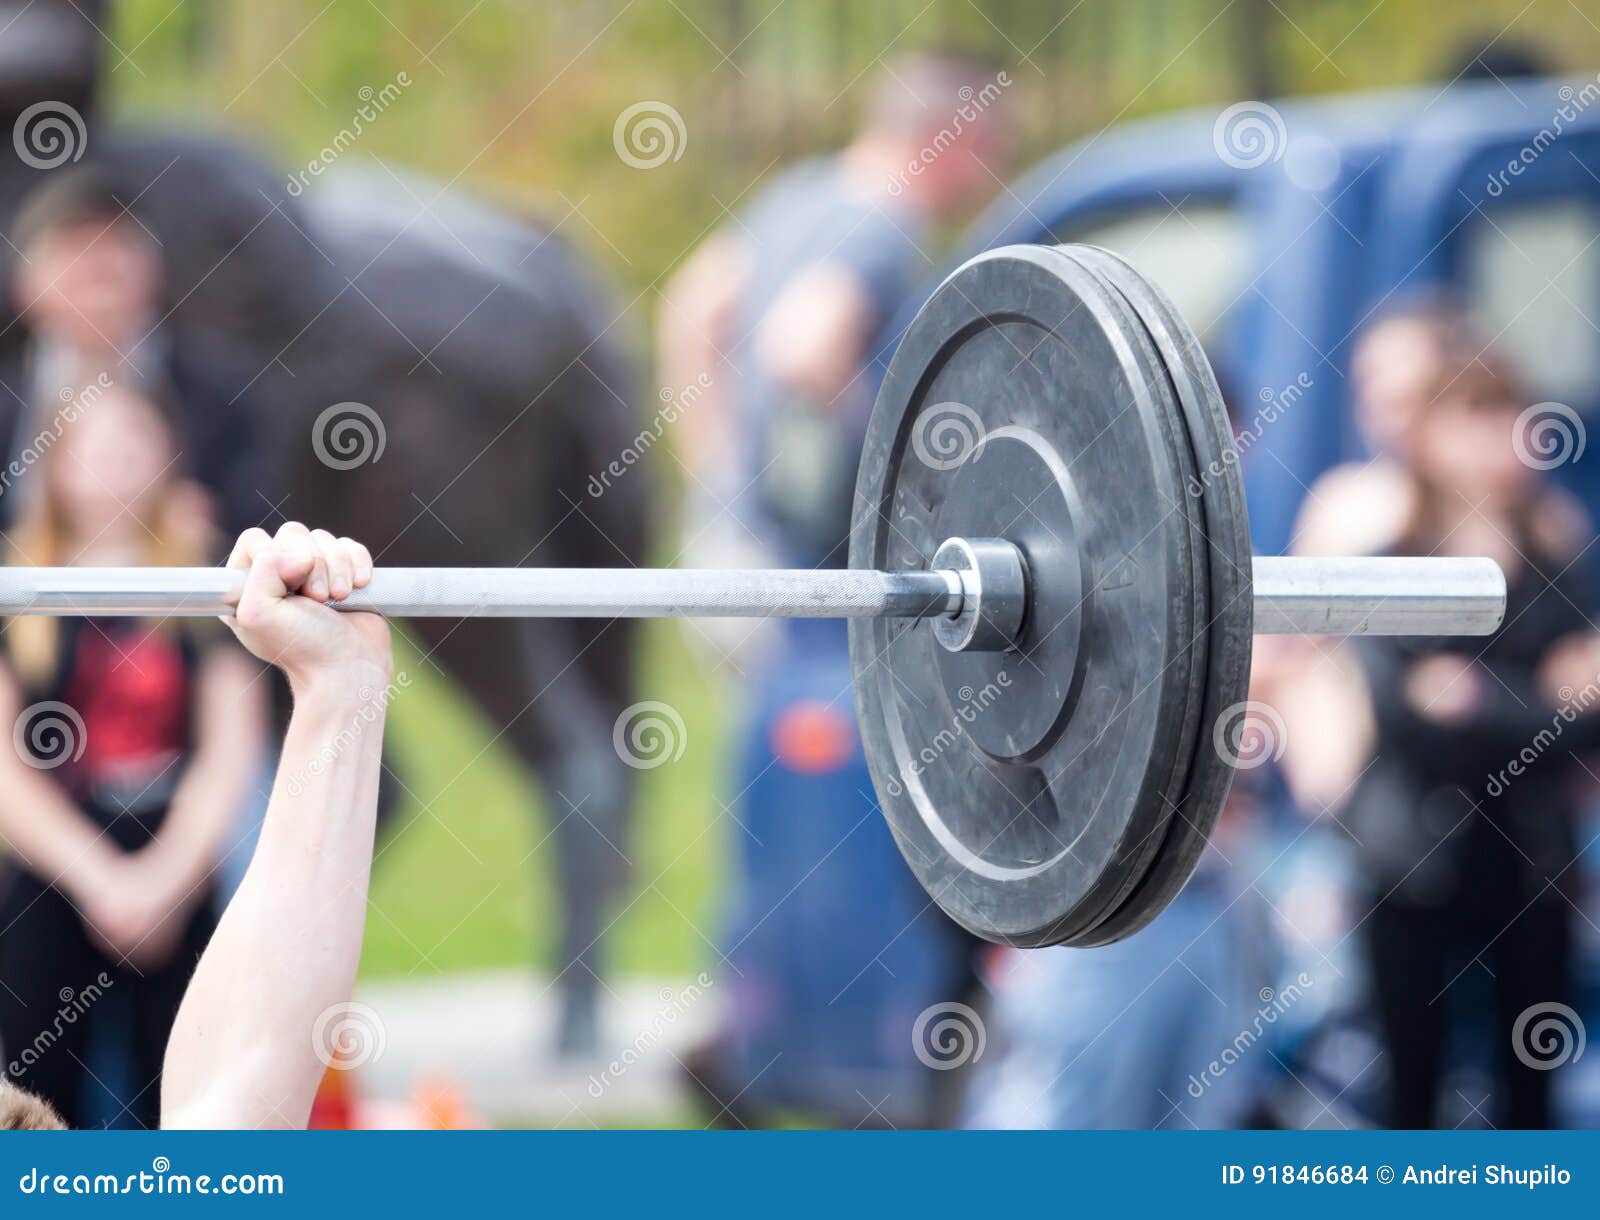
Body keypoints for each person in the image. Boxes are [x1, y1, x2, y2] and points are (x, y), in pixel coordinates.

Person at [1285, 314, 1600, 1128]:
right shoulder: (1386, 556)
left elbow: (1584, 717)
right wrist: (1539, 698)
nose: (1495, 439)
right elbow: (1407, 714)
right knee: (1407, 1085)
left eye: (1506, 414)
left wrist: (1477, 697)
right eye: (1471, 416)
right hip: (1409, 863)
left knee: (1531, 1094)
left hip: (1532, 865)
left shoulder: (1561, 559)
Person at [0, 522, 387, 1129]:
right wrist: (340, 690)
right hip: (56, 884)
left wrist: (341, 688)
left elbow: (225, 1128)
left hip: (169, 865)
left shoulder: (188, 585)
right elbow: (228, 1124)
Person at [0, 377, 270, 1127]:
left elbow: (229, 745)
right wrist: (100, 882)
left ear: (167, 459)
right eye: (95, 448)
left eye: (133, 446)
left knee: (187, 1084)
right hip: (56, 864)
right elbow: (6, 768)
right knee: (41, 1079)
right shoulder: (18, 583)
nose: (116, 465)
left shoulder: (208, 579)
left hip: (176, 857)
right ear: (56, 466)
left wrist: (165, 879)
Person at [6, 167, 264, 537]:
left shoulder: (226, 397)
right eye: (75, 246)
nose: (99, 267)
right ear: (25, 281)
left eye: (118, 243)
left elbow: (262, 528)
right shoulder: (9, 404)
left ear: (154, 269)